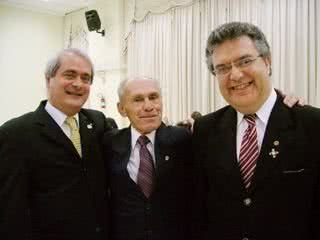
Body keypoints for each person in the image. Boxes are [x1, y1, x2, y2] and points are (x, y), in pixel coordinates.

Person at [192, 22, 320, 240]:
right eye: (222, 68)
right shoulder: (205, 130)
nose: (235, 75)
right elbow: (199, 208)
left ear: (267, 62)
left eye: (245, 61)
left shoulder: (312, 124)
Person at [0, 48, 111, 240]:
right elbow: (11, 209)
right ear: (48, 79)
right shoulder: (15, 134)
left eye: (86, 78)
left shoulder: (98, 122)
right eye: (70, 75)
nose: (78, 84)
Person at [103, 76, 192, 240]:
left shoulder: (183, 141)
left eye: (153, 97)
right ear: (121, 108)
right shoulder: (109, 144)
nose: (149, 106)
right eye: (138, 100)